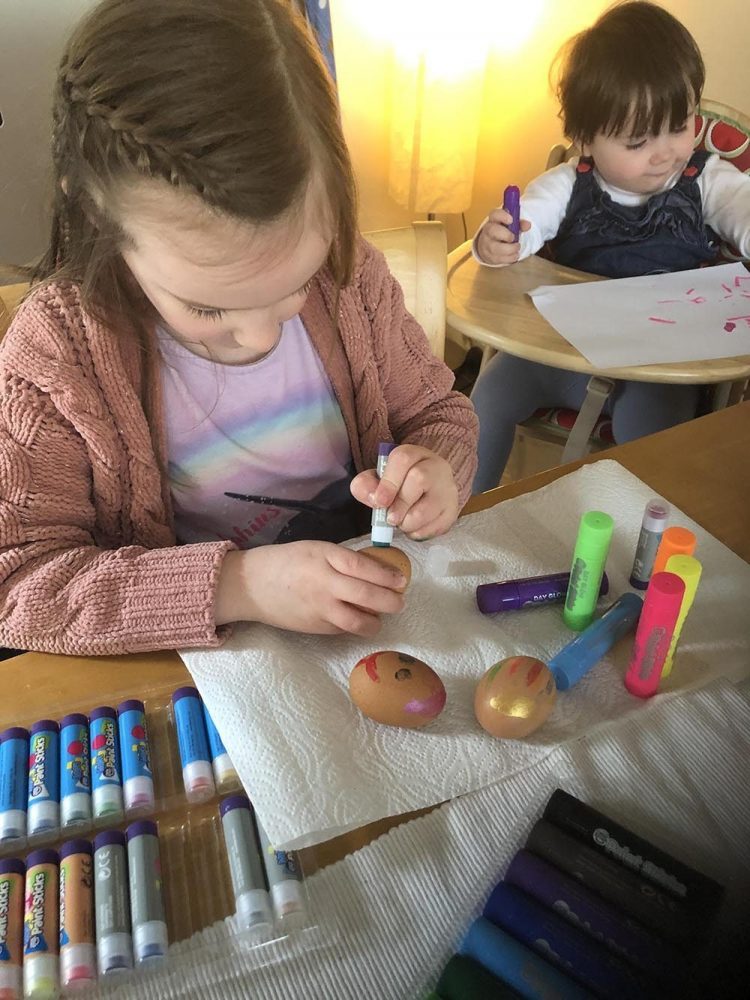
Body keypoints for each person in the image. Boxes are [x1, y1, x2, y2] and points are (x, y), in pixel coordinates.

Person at [0, 0, 478, 655]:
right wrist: (238, 586)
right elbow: (21, 584)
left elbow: (436, 413)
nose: (259, 337)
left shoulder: (351, 277)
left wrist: (439, 470)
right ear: (99, 217)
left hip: (364, 634)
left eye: (294, 285)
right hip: (201, 670)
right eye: (206, 309)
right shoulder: (57, 356)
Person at [470, 0, 750, 492]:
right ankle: (461, 515)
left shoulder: (708, 180)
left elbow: (743, 211)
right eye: (638, 142)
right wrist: (500, 245)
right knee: (487, 399)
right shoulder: (565, 183)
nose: (664, 152)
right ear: (586, 139)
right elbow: (526, 224)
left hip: (658, 368)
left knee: (653, 442)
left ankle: (633, 539)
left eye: (680, 124)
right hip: (562, 353)